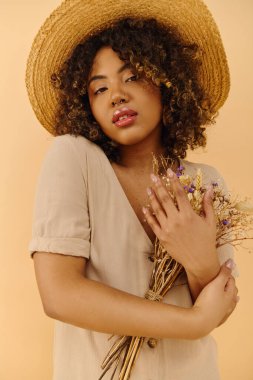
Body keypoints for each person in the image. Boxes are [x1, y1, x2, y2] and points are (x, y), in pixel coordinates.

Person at [26, 1, 239, 379]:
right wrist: (193, 323)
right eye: (99, 89)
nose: (116, 96)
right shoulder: (73, 158)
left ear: (167, 80)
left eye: (133, 76)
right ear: (85, 105)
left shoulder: (207, 181)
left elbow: (218, 306)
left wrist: (200, 260)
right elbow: (59, 294)